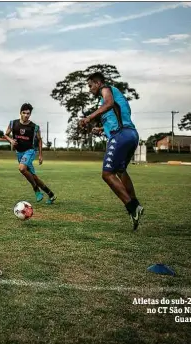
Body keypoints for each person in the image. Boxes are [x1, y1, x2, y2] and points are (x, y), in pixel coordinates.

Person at [79, 72, 143, 230]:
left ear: (98, 83)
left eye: (90, 85)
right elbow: (116, 114)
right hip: (131, 135)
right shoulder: (111, 96)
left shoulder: (106, 90)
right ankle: (136, 205)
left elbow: (108, 104)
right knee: (121, 171)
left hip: (121, 135)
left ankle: (132, 207)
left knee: (107, 174)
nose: (89, 89)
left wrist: (89, 118)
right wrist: (101, 129)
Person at [4, 103, 56, 204]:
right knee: (33, 176)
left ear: (30, 114)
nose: (26, 115)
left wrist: (40, 155)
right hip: (19, 152)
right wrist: (10, 140)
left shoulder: (34, 127)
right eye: (24, 113)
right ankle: (51, 194)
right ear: (20, 113)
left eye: (28, 113)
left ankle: (36, 190)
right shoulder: (12, 123)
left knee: (22, 168)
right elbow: (6, 134)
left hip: (30, 151)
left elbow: (40, 140)